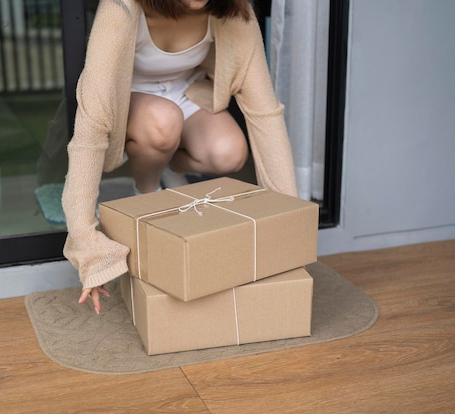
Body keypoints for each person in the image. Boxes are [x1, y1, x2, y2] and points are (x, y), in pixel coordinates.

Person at [61, 0, 298, 313]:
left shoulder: (233, 10)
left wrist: (291, 229)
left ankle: (167, 158)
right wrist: (87, 245)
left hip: (184, 92)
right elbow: (90, 134)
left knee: (231, 153)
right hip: (133, 99)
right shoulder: (121, 8)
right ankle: (147, 189)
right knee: (163, 124)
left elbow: (265, 113)